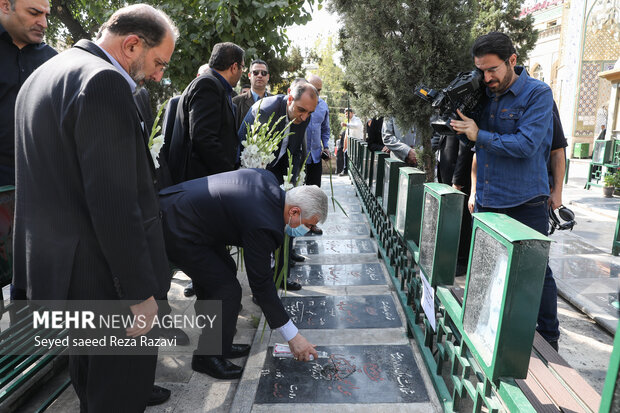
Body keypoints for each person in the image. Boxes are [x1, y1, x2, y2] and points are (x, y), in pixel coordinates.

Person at [13, 4, 178, 410]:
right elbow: (115, 205)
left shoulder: (42, 74)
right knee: (119, 396)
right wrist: (140, 296)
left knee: (93, 389)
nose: (158, 75)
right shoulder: (104, 81)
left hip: (60, 280)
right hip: (104, 283)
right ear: (132, 44)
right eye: (158, 62)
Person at [159, 169, 325, 379]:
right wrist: (294, 337)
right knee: (226, 288)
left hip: (187, 214)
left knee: (222, 273)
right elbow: (262, 285)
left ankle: (219, 344)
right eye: (308, 225)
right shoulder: (264, 224)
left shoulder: (269, 182)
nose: (308, 231)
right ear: (293, 212)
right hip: (177, 226)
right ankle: (206, 357)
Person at [451, 31, 559, 350]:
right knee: (482, 271)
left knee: (534, 275)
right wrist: (459, 127)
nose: (486, 78)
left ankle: (548, 338)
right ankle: (476, 334)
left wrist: (478, 134)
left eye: (492, 70)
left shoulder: (538, 94)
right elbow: (472, 143)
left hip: (526, 201)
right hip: (488, 199)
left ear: (512, 60)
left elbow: (527, 144)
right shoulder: (485, 93)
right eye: (481, 70)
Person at [168, 42, 244, 184]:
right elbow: (203, 137)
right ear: (234, 67)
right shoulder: (207, 85)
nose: (241, 73)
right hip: (200, 180)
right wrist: (229, 173)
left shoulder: (216, 86)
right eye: (242, 67)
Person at [0, 0, 57, 187]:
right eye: (34, 13)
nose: (44, 23)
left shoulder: (55, 62)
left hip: (40, 185)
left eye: (46, 15)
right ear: (5, 6)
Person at [304, 74, 330, 235]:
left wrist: (326, 146)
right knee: (299, 191)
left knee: (315, 192)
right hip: (299, 157)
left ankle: (312, 224)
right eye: (314, 89)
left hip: (315, 156)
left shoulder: (323, 106)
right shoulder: (297, 103)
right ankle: (298, 224)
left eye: (319, 90)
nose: (317, 93)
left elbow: (325, 129)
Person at [233, 59, 271, 132]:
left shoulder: (276, 101)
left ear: (268, 77)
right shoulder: (236, 102)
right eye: (255, 72)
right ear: (249, 75)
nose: (260, 75)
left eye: (263, 73)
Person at [338, 108, 362, 176]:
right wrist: (345, 145)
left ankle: (357, 173)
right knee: (346, 153)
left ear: (352, 113)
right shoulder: (349, 121)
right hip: (351, 144)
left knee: (357, 158)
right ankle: (346, 170)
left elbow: (357, 126)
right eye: (345, 114)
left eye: (348, 113)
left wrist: (346, 125)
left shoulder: (357, 119)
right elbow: (347, 135)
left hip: (357, 142)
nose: (346, 115)